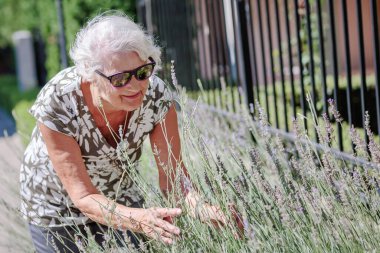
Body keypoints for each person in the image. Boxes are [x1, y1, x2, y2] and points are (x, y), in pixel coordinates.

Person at [20, 11, 238, 253]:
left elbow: (173, 178)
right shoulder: (58, 101)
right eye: (120, 78)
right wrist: (141, 220)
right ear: (91, 76)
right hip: (55, 208)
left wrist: (204, 209)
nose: (135, 86)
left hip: (119, 196)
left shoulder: (156, 96)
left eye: (142, 72)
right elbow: (82, 197)